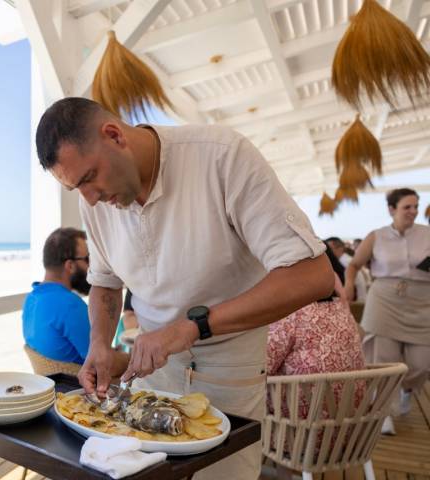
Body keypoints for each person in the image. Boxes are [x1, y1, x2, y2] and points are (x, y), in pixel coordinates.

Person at [35, 97, 334, 478]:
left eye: (89, 177)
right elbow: (105, 283)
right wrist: (98, 345)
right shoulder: (95, 204)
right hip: (153, 373)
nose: (89, 198)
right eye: (76, 188)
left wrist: (192, 327)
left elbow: (313, 274)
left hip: (231, 368)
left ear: (114, 136)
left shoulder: (222, 156)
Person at [345, 188, 430, 435]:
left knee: (422, 363)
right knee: (382, 361)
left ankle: (406, 389)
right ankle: (384, 412)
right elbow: (354, 265)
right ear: (392, 209)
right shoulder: (376, 236)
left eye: (416, 206)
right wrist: (349, 283)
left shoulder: (427, 234)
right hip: (384, 301)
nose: (413, 211)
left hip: (423, 303)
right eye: (407, 207)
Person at [267, 244, 365, 416]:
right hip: (348, 426)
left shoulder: (292, 315)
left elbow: (261, 368)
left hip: (297, 430)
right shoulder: (341, 308)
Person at [22, 227, 128, 372]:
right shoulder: (69, 305)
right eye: (88, 259)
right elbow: (103, 363)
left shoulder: (32, 298)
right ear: (70, 266)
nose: (92, 266)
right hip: (79, 388)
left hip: (52, 386)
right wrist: (131, 357)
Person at [326, 236, 369, 302]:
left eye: (329, 249)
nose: (327, 253)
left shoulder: (345, 261)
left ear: (340, 248)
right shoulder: (346, 259)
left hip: (356, 301)